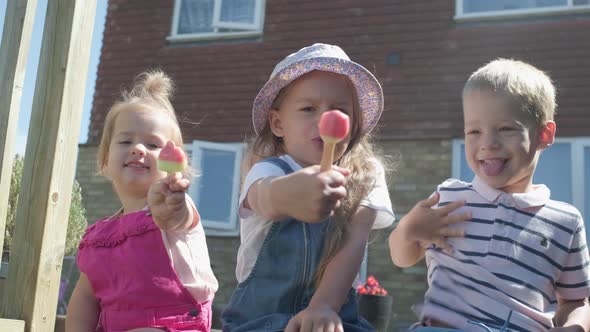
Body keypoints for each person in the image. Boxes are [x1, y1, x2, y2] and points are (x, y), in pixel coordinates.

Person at [389, 59, 590, 332]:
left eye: (506, 129)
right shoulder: (449, 198)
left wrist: (575, 327)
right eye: (474, 131)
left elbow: (576, 300)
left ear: (544, 133)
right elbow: (402, 257)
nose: (487, 144)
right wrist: (408, 230)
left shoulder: (565, 221)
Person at [220, 43, 396, 332]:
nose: (325, 118)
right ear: (278, 123)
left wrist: (323, 306)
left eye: (339, 109)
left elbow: (353, 242)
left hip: (334, 311)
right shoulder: (267, 169)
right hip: (259, 318)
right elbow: (264, 196)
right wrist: (291, 194)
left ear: (353, 125)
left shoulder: (365, 175)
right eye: (308, 108)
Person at [66, 71, 218, 332]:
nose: (138, 149)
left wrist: (173, 202)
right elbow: (85, 297)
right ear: (104, 160)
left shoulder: (174, 206)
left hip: (174, 325)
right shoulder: (97, 236)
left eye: (153, 145)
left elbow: (177, 217)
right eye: (126, 141)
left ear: (175, 162)